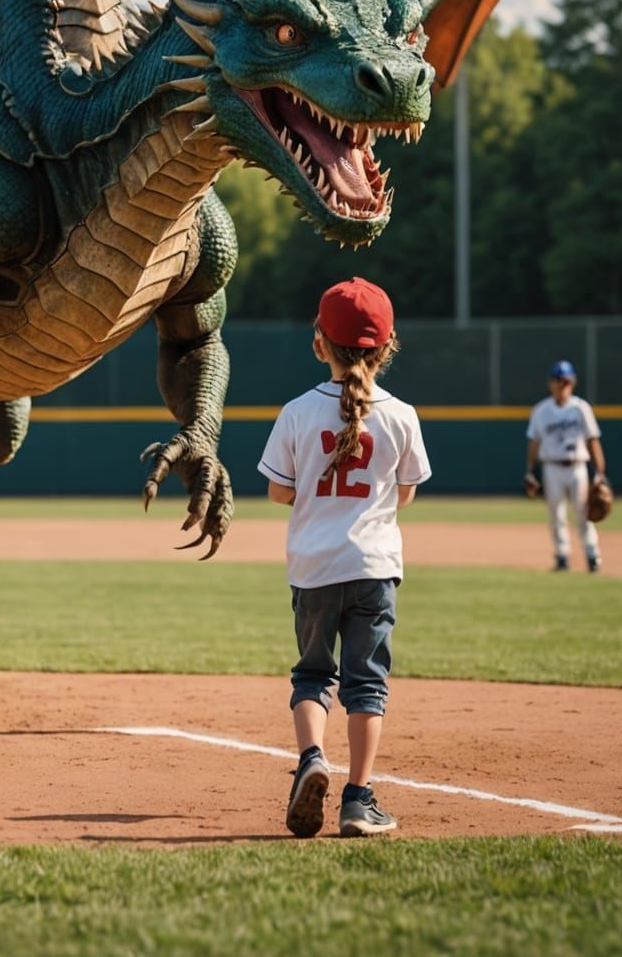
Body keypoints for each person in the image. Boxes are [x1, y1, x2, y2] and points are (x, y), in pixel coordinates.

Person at [258, 277, 430, 840]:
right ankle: (358, 798)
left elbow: (280, 492)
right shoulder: (402, 413)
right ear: (388, 346)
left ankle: (311, 758)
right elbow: (405, 492)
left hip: (313, 568)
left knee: (312, 674)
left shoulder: (298, 411)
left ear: (318, 343)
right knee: (367, 684)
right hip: (375, 568)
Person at [525, 360, 608, 573]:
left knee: (583, 513)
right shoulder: (541, 410)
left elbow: (593, 440)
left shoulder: (581, 408)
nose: (563, 385)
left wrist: (600, 472)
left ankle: (592, 556)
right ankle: (562, 556)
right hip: (552, 466)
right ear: (551, 383)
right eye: (559, 381)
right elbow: (534, 442)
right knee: (556, 515)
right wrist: (530, 470)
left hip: (578, 466)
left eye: (567, 381)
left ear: (573, 382)